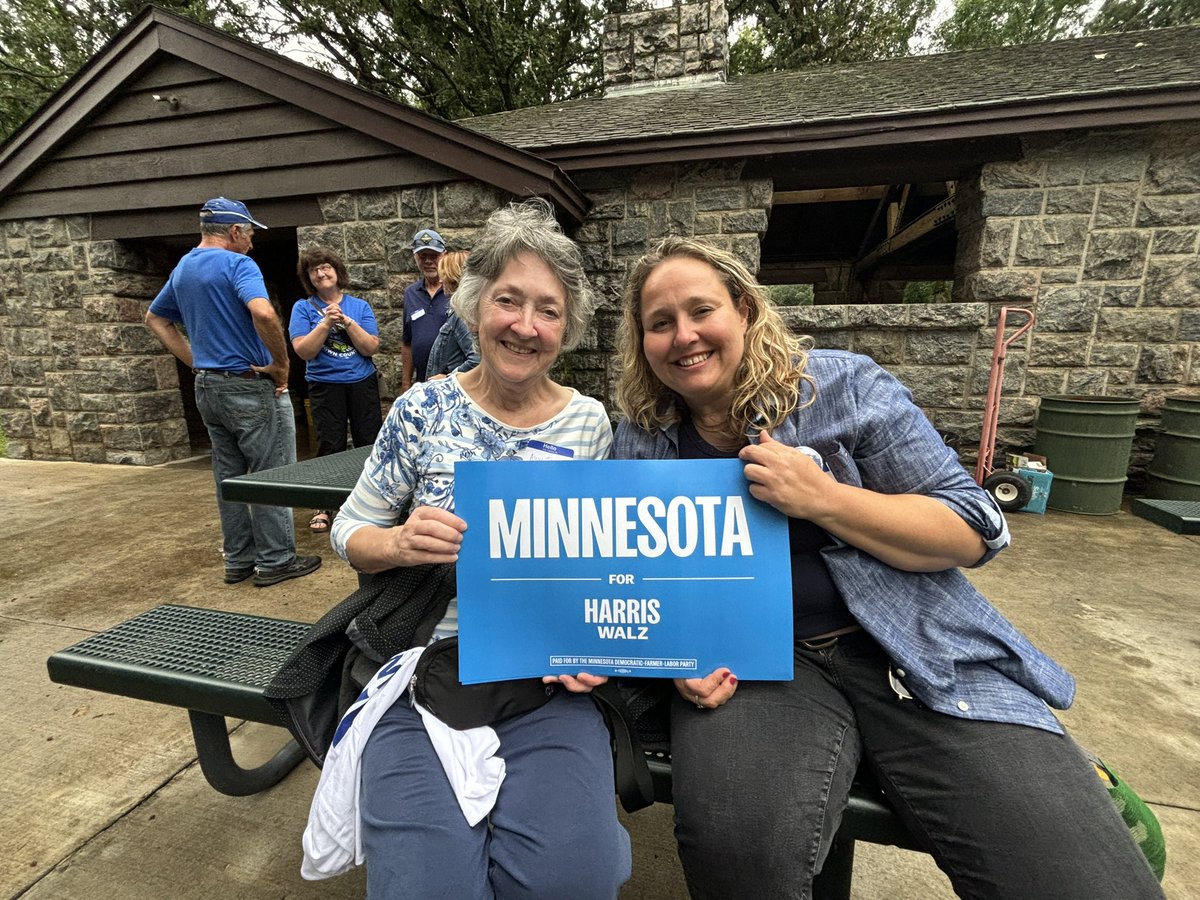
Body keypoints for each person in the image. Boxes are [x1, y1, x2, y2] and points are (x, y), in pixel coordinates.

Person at [612, 237, 1165, 900]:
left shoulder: (843, 387)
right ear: (641, 341)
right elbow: (636, 579)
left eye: (701, 310)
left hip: (914, 649)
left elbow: (971, 528)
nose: (684, 336)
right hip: (757, 670)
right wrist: (677, 656)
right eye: (660, 322)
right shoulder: (641, 436)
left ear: (745, 311)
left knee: (1077, 875)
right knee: (736, 852)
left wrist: (823, 499)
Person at [328, 199, 630, 898]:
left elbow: (607, 565)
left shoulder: (590, 423)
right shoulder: (422, 409)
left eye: (548, 310)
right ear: (472, 306)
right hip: (423, 666)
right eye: (508, 301)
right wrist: (401, 542)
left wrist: (595, 641)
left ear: (568, 327)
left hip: (546, 676)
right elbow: (350, 533)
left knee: (570, 882)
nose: (526, 326)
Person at [145, 197, 321, 588]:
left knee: (230, 477)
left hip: (208, 386)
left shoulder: (184, 268)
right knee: (271, 473)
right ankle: (276, 560)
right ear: (235, 231)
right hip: (248, 385)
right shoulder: (238, 264)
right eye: (251, 234)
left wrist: (195, 360)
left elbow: (155, 318)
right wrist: (282, 364)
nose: (253, 243)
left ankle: (239, 560)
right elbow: (262, 312)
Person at [289, 247, 383, 532]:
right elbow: (303, 350)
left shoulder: (360, 307)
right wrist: (325, 323)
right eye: (313, 270)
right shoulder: (302, 308)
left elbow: (371, 347)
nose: (320, 273)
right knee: (330, 445)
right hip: (324, 385)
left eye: (325, 266)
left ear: (337, 270)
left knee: (369, 443)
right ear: (309, 278)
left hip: (361, 383)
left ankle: (373, 503)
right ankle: (325, 505)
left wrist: (347, 322)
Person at [400, 227, 449, 391]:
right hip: (423, 382)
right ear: (415, 258)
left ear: (444, 255)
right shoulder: (410, 294)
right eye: (423, 256)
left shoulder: (457, 291)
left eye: (434, 256)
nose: (428, 261)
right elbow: (408, 341)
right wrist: (406, 383)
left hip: (452, 381)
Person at [425, 249, 479, 378]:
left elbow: (477, 360)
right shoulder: (462, 310)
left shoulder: (461, 314)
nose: (440, 281)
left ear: (455, 278)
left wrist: (448, 378)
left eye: (444, 275)